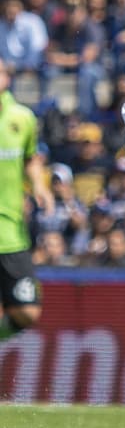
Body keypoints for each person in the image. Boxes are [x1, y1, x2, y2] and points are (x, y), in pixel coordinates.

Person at [0, 61, 53, 342]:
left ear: (8, 77)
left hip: (11, 234)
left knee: (27, 312)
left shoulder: (23, 118)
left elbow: (31, 158)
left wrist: (39, 186)